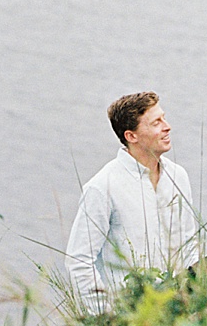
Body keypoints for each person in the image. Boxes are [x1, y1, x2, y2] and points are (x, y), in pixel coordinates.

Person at [65, 91, 197, 310]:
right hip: (127, 315)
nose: (167, 126)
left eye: (164, 118)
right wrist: (105, 318)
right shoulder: (102, 187)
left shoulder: (178, 176)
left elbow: (189, 244)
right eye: (156, 123)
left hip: (177, 310)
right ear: (131, 136)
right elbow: (79, 261)